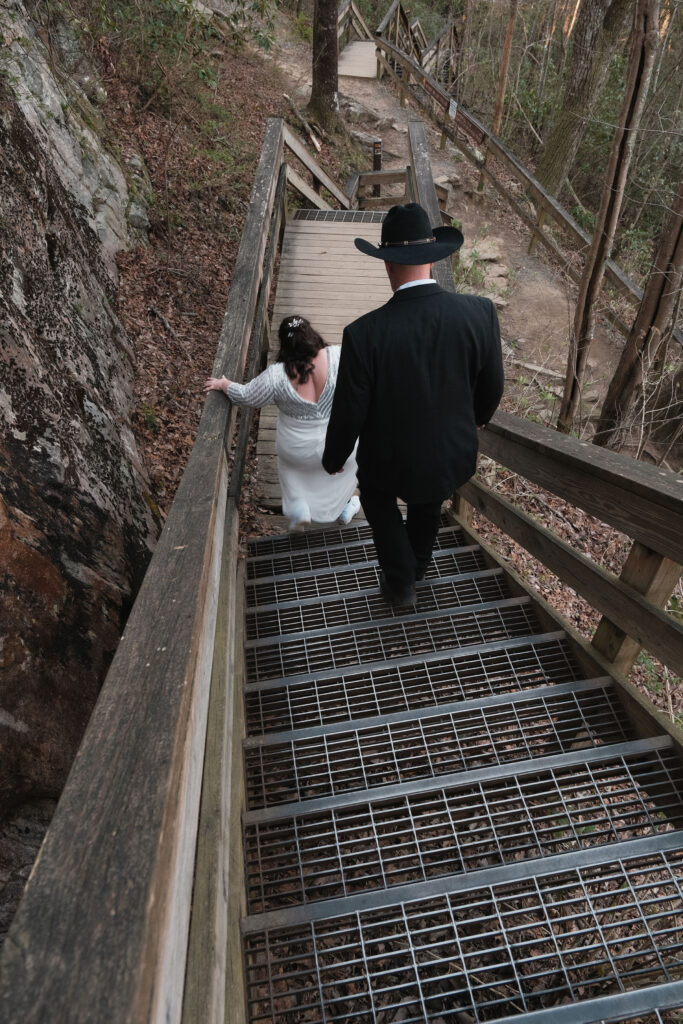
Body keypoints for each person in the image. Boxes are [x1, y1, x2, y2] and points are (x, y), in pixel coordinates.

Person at [322, 202, 504, 606]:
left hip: (388, 459)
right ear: (433, 258)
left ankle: (403, 579)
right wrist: (476, 421)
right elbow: (492, 386)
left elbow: (350, 408)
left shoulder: (363, 334)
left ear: (387, 263)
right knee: (429, 496)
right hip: (450, 453)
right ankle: (417, 566)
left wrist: (333, 457)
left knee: (375, 494)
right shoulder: (479, 313)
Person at [205, 315, 360, 531]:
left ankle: (298, 507)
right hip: (340, 442)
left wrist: (224, 384)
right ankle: (344, 506)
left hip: (297, 448)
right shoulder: (340, 356)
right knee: (342, 474)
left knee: (293, 474)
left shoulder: (276, 376)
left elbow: (246, 396)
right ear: (311, 335)